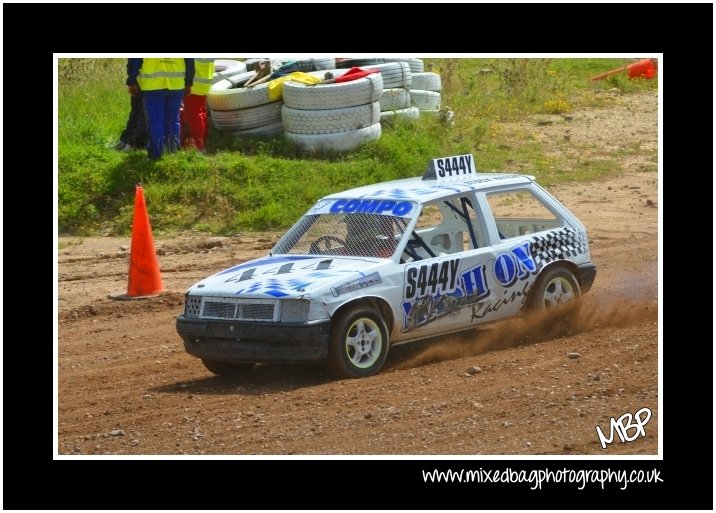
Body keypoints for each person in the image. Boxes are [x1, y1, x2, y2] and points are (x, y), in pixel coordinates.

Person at [126, 58, 195, 160]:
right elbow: (190, 61)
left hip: (152, 86)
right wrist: (188, 82)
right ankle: (172, 152)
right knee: (172, 120)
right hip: (176, 85)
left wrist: (132, 81)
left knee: (155, 121)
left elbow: (135, 60)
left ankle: (156, 155)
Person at [180, 58, 214, 152]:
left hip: (193, 84)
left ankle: (198, 146)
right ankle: (202, 144)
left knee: (194, 115)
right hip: (203, 82)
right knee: (201, 113)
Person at [113, 76, 148, 152]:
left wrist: (131, 81)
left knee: (139, 113)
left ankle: (130, 142)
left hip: (142, 82)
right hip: (143, 82)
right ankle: (129, 142)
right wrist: (132, 82)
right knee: (139, 113)